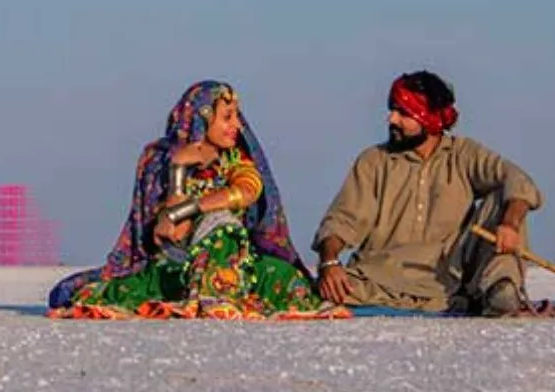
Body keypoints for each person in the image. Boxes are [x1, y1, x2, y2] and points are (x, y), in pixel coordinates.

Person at [45, 80, 349, 320]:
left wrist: (187, 210)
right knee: (220, 230)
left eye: (237, 117)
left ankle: (224, 293)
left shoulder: (236, 160)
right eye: (227, 117)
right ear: (204, 119)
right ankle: (211, 296)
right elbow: (168, 233)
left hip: (239, 264)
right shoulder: (160, 160)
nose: (237, 126)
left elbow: (248, 191)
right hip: (180, 264)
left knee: (285, 277)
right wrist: (178, 169)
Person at [312, 70, 543, 317]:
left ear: (429, 119)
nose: (392, 119)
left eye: (403, 113)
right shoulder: (374, 161)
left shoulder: (463, 155)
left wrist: (509, 223)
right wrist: (329, 262)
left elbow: (518, 180)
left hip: (448, 284)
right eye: (392, 110)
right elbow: (342, 220)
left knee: (506, 198)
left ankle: (501, 292)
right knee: (306, 293)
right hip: (375, 282)